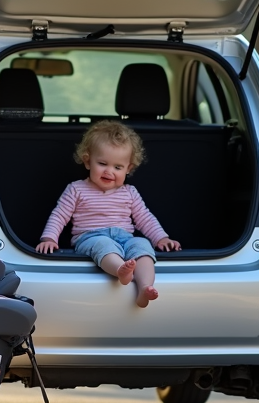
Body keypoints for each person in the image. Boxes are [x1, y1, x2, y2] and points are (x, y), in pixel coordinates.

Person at [35, 120, 180, 307]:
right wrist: (49, 238)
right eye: (102, 163)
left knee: (143, 246)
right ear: (88, 161)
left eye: (118, 167)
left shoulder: (129, 192)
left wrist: (161, 238)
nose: (109, 171)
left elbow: (144, 218)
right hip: (90, 237)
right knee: (103, 244)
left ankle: (145, 288)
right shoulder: (76, 189)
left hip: (125, 238)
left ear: (128, 169)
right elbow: (59, 215)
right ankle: (121, 269)